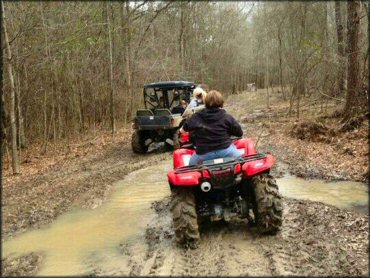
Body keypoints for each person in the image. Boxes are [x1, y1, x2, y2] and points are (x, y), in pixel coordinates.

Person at [180, 90, 243, 166]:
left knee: (190, 167)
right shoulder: (226, 117)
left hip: (203, 154)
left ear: (206, 102)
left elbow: (182, 130)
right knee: (242, 160)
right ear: (221, 102)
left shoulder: (196, 116)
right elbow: (240, 133)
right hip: (226, 151)